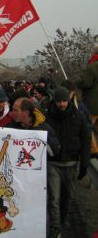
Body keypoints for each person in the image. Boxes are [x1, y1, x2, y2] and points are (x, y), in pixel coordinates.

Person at [45, 86, 90, 238]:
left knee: (67, 197)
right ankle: (55, 227)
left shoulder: (78, 117)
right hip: (53, 164)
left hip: (71, 163)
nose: (62, 104)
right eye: (59, 101)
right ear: (55, 101)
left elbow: (85, 140)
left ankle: (63, 221)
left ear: (69, 100)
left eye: (64, 101)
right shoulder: (47, 117)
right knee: (54, 198)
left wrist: (84, 163)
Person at [77, 43, 98, 156]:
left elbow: (86, 83)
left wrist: (78, 81)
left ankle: (94, 150)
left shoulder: (92, 66)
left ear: (94, 53)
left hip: (93, 104)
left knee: (88, 126)